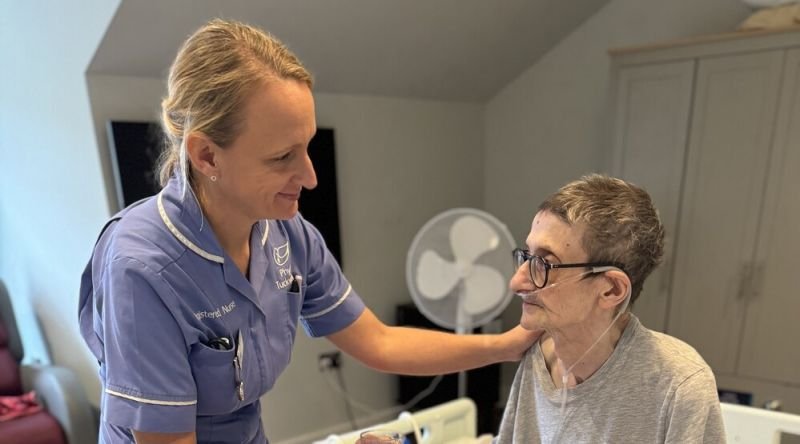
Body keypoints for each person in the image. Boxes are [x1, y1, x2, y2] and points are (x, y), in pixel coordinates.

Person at [77, 18, 538, 444]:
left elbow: (379, 341)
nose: (311, 176)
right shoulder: (141, 271)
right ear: (207, 156)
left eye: (308, 147)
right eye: (282, 157)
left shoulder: (285, 234)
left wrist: (508, 345)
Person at [495, 174, 725, 443]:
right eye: (527, 256)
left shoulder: (680, 386)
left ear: (611, 289)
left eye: (545, 264)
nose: (517, 282)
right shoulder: (536, 356)